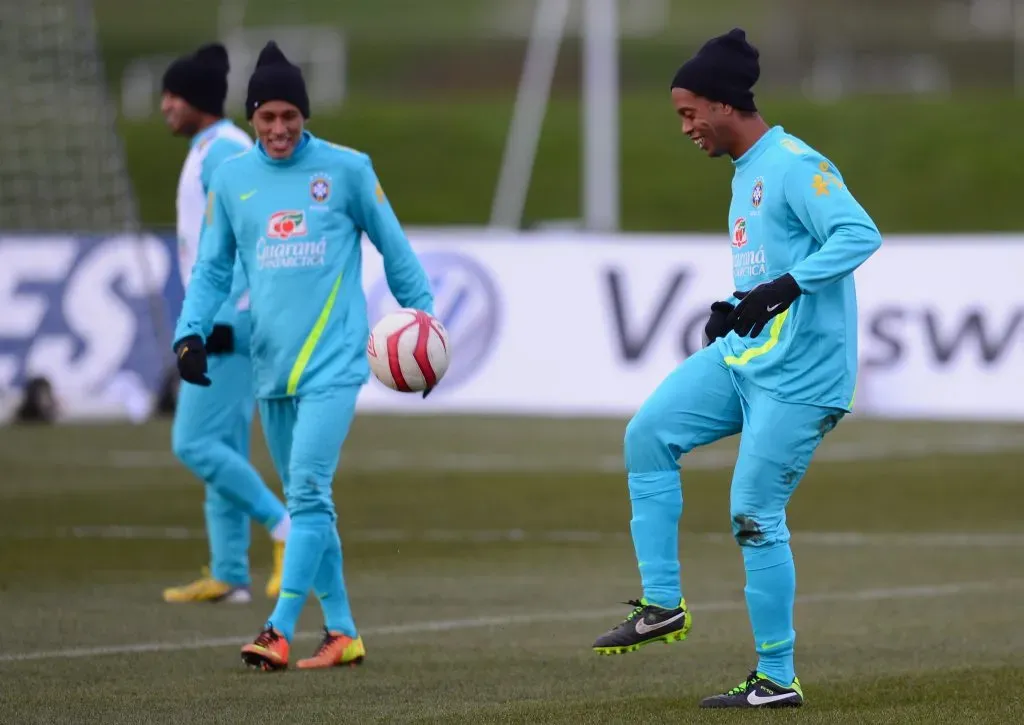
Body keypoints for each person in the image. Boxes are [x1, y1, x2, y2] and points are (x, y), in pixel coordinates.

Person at [590, 28, 883, 709]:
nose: (685, 127)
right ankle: (663, 603)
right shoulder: (745, 173)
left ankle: (777, 678)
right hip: (748, 356)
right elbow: (764, 268)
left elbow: (858, 232)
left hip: (803, 376)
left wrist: (784, 289)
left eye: (689, 113)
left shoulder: (792, 163)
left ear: (724, 103)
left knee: (753, 511)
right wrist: (733, 306)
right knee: (647, 433)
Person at [172, 41, 435, 670]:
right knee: (306, 501)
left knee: (310, 493)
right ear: (254, 119)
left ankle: (278, 628)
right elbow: (211, 269)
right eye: (267, 118)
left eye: (291, 116)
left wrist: (424, 323)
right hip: (272, 366)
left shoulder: (347, 170)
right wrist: (190, 332)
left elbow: (395, 251)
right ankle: (342, 631)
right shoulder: (233, 179)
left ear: (305, 115)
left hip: (335, 364)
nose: (280, 128)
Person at [160, 42, 289, 604]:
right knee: (225, 448)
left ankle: (284, 528)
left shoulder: (223, 151)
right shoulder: (212, 147)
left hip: (228, 324)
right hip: (227, 320)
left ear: (196, 101)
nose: (165, 105)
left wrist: (221, 319)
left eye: (173, 95)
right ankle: (230, 572)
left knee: (192, 442)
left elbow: (244, 239)